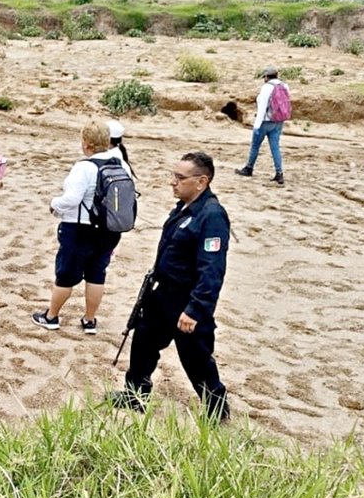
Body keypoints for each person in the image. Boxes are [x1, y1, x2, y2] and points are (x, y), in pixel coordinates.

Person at [110, 152, 231, 421]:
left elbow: (212, 270)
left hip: (186, 300)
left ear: (201, 181)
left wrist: (196, 309)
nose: (172, 182)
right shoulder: (184, 207)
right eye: (173, 176)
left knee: (196, 358)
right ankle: (135, 395)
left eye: (179, 177)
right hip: (162, 293)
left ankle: (217, 410)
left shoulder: (211, 216)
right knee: (143, 342)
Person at [32, 121, 133, 334]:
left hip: (80, 229)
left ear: (86, 145)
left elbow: (71, 199)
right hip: (109, 229)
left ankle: (51, 316)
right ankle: (89, 320)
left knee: (66, 274)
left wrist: (54, 204)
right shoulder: (122, 164)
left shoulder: (84, 167)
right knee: (97, 273)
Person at [235, 66, 288, 186]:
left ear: (266, 76)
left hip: (265, 121)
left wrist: (257, 126)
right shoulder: (284, 86)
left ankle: (249, 168)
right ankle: (279, 173)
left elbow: (262, 108)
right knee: (275, 147)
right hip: (278, 121)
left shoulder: (267, 87)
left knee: (255, 146)